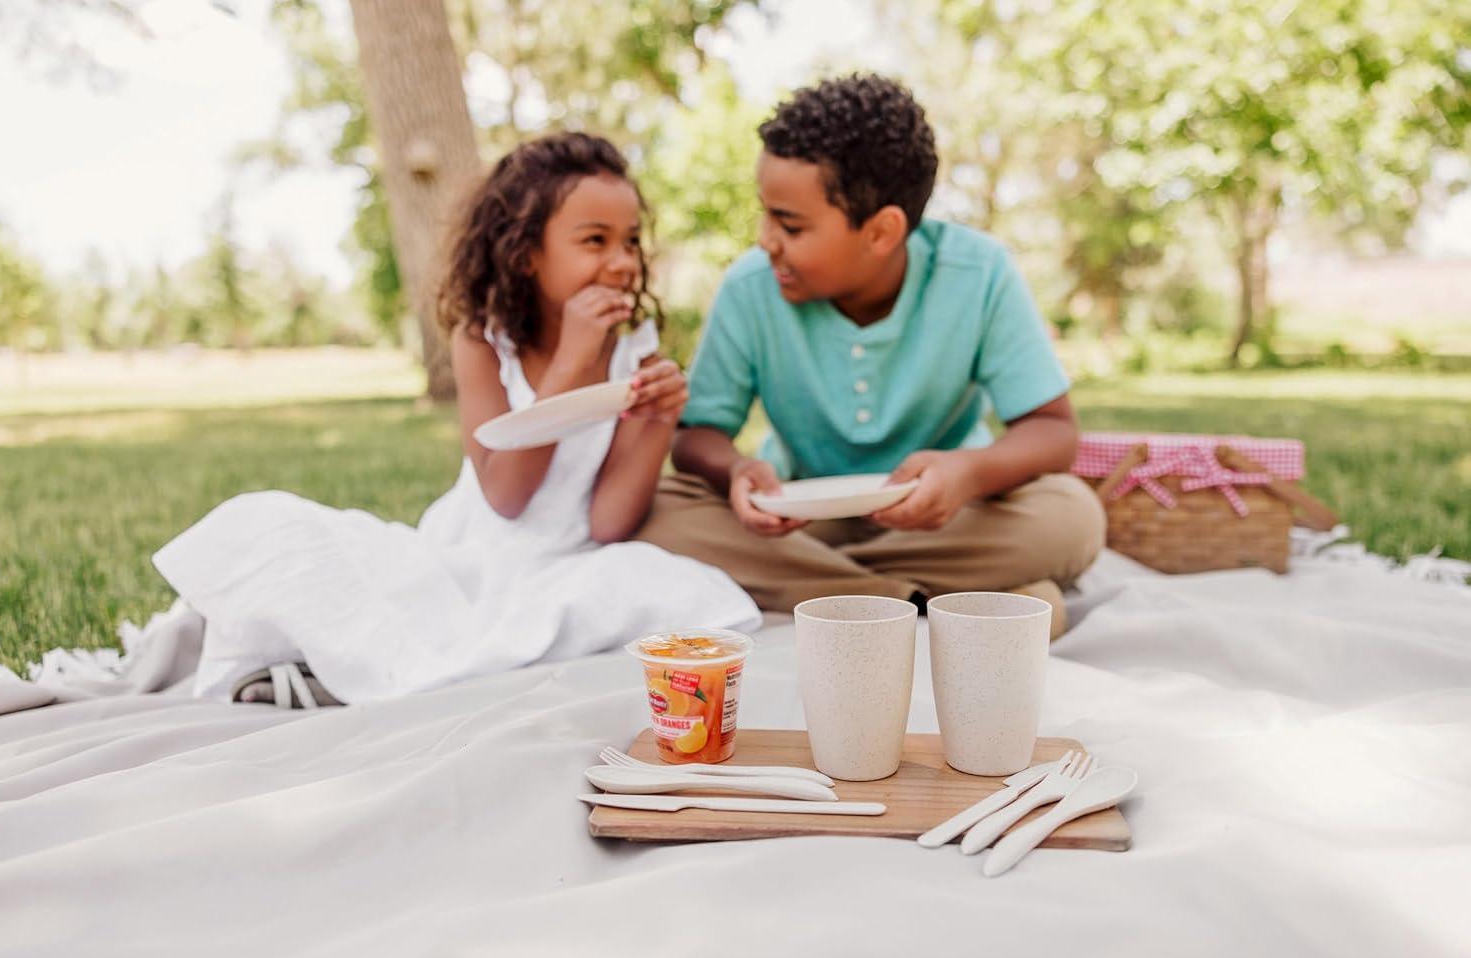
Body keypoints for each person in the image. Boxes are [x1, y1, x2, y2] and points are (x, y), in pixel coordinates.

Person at [154, 132, 759, 706]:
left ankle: (359, 674)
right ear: (525, 254)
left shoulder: (636, 354)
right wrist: (572, 363)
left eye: (630, 241)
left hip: (570, 562)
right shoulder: (483, 341)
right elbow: (506, 495)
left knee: (661, 586)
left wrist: (657, 420)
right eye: (595, 241)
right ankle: (353, 668)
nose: (624, 262)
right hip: (474, 550)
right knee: (283, 531)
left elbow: (607, 524)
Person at [635, 74, 1104, 635]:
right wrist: (735, 470)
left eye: (790, 224)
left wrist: (968, 473)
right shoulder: (749, 288)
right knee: (656, 513)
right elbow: (696, 436)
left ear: (881, 231)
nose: (766, 240)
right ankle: (927, 600)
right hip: (802, 523)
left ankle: (830, 593)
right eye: (766, 214)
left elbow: (1053, 431)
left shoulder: (978, 274)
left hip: (948, 523)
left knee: (1072, 515)